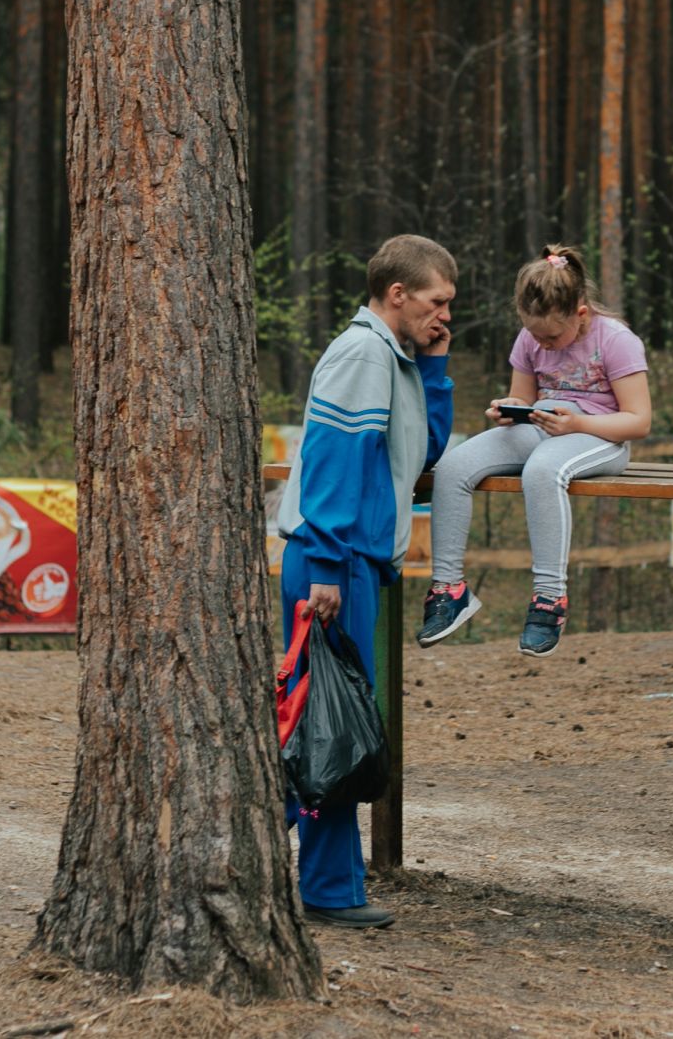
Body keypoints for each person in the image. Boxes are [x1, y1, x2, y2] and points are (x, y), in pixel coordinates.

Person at [275, 234, 456, 930]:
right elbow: (331, 456)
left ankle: (329, 884)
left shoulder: (397, 358)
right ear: (398, 293)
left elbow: (424, 452)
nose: (445, 314)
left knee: (337, 728)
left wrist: (437, 366)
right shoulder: (360, 353)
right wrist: (323, 564)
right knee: (322, 729)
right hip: (332, 563)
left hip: (355, 564)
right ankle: (244, 853)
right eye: (437, 303)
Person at [419, 244, 651, 657]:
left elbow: (638, 421)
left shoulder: (616, 340)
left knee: (541, 470)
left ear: (580, 313)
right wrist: (509, 412)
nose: (542, 343)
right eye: (534, 334)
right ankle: (448, 589)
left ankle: (549, 599)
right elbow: (522, 400)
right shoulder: (530, 338)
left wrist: (578, 423)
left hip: (601, 437)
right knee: (453, 467)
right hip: (544, 426)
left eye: (551, 336)